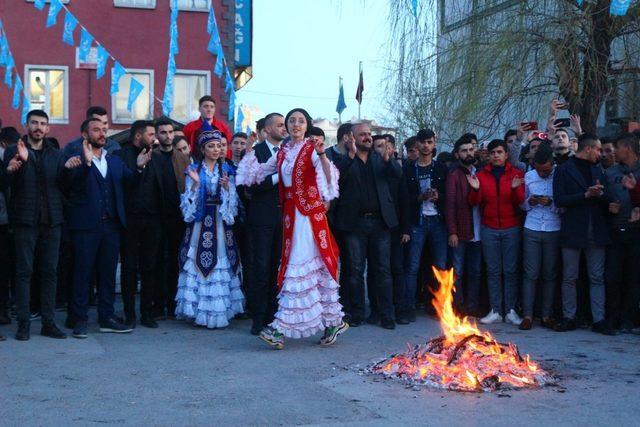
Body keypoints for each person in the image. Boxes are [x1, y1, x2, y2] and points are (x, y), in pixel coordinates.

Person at [239, 108, 347, 349]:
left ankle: (280, 329)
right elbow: (255, 176)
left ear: (307, 125)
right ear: (285, 126)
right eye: (291, 121)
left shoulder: (311, 149)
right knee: (309, 268)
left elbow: (329, 180)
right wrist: (248, 152)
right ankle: (333, 321)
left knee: (299, 266)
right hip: (291, 216)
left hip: (308, 217)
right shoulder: (283, 153)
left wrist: (322, 156)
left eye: (301, 121)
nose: (296, 125)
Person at [63, 117, 151, 339]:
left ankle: (106, 317)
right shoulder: (75, 159)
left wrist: (139, 168)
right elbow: (71, 186)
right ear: (85, 135)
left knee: (108, 274)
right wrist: (85, 163)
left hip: (111, 226)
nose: (102, 133)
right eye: (96, 130)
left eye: (104, 129)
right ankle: (80, 318)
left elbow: (130, 183)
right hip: (85, 226)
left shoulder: (114, 161)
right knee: (83, 273)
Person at [2, 110, 67, 340]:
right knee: (24, 273)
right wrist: (10, 171)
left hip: (52, 222)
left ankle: (48, 323)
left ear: (48, 129)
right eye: (35, 123)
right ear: (27, 125)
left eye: (43, 124)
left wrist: (75, 167)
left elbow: (62, 184)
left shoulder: (55, 154)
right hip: (25, 222)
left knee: (50, 272)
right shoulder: (14, 150)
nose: (39, 127)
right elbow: (5, 183)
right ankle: (23, 324)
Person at [175, 128, 244, 328]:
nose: (216, 149)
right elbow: (187, 209)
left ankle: (220, 309)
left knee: (222, 261)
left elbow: (232, 208)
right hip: (200, 224)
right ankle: (198, 310)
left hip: (220, 225)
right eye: (211, 146)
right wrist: (196, 185)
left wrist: (227, 189)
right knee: (197, 260)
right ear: (203, 149)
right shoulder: (194, 170)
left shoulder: (227, 171)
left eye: (219, 146)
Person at [334, 122, 401, 329]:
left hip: (380, 223)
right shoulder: (345, 160)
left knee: (382, 270)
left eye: (369, 134)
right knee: (355, 270)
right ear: (351, 138)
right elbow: (335, 180)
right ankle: (356, 313)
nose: (367, 137)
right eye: (362, 134)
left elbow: (398, 176)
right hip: (355, 225)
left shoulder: (380, 158)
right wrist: (351, 156)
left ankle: (385, 314)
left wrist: (390, 162)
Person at [553, 133, 613, 335]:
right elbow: (559, 199)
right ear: (588, 149)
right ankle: (569, 317)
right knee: (569, 277)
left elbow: (609, 196)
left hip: (596, 230)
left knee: (597, 277)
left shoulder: (599, 169)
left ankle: (599, 319)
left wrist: (601, 194)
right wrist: (585, 195)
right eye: (597, 149)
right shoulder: (563, 170)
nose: (600, 153)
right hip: (573, 230)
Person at [236, 112, 286, 336]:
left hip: (283, 218)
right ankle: (257, 316)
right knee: (260, 267)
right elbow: (250, 185)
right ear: (267, 130)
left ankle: (273, 314)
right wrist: (278, 175)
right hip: (261, 218)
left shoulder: (288, 152)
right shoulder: (255, 152)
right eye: (279, 125)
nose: (284, 128)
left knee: (277, 267)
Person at [468, 139, 525, 326]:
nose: (496, 155)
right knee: (492, 270)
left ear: (506, 155)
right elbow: (474, 202)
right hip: (489, 228)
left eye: (499, 152)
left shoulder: (516, 174)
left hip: (511, 227)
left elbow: (520, 201)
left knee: (510, 270)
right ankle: (495, 310)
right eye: (493, 153)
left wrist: (516, 189)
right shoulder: (482, 175)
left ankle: (510, 310)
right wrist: (475, 190)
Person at [114, 120, 165, 328]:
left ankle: (147, 313)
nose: (155, 137)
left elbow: (165, 189)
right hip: (129, 221)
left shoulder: (158, 158)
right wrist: (138, 167)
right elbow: (121, 184)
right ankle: (129, 314)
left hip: (153, 221)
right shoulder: (121, 156)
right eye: (151, 133)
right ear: (138, 135)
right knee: (128, 268)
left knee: (150, 267)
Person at [403, 129, 448, 322]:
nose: (426, 146)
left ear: (434, 143)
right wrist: (419, 198)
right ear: (418, 145)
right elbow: (403, 198)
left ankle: (440, 306)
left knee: (440, 265)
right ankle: (408, 307)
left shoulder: (441, 169)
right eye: (422, 143)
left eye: (429, 142)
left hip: (438, 221)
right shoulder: (408, 168)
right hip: (417, 221)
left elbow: (449, 196)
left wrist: (439, 197)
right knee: (412, 266)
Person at [520, 145, 561, 330]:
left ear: (552, 164)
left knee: (550, 274)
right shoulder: (529, 177)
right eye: (539, 170)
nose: (542, 173)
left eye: (546, 170)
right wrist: (531, 201)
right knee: (530, 273)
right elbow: (522, 204)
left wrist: (551, 203)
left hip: (553, 227)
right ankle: (527, 315)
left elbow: (565, 205)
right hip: (532, 226)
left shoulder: (559, 175)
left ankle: (547, 315)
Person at [154, 117, 191, 319]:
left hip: (178, 216)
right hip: (157, 217)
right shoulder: (152, 156)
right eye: (163, 132)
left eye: (170, 132)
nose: (168, 136)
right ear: (157, 135)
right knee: (157, 260)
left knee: (176, 261)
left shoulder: (183, 158)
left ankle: (173, 302)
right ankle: (157, 304)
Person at [604, 133, 640, 333]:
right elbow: (603, 198)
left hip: (636, 233)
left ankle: (629, 319)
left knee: (633, 278)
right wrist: (607, 207)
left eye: (617, 147)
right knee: (612, 276)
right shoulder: (610, 173)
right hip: (615, 231)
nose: (614, 151)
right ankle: (613, 318)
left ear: (628, 148)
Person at [445, 133, 482, 316]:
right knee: (457, 272)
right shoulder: (454, 175)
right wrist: (452, 232)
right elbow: (450, 205)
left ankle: (472, 306)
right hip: (461, 231)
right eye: (464, 151)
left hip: (479, 231)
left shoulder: (480, 172)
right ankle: (458, 307)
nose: (468, 153)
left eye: (470, 149)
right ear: (457, 154)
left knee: (475, 271)